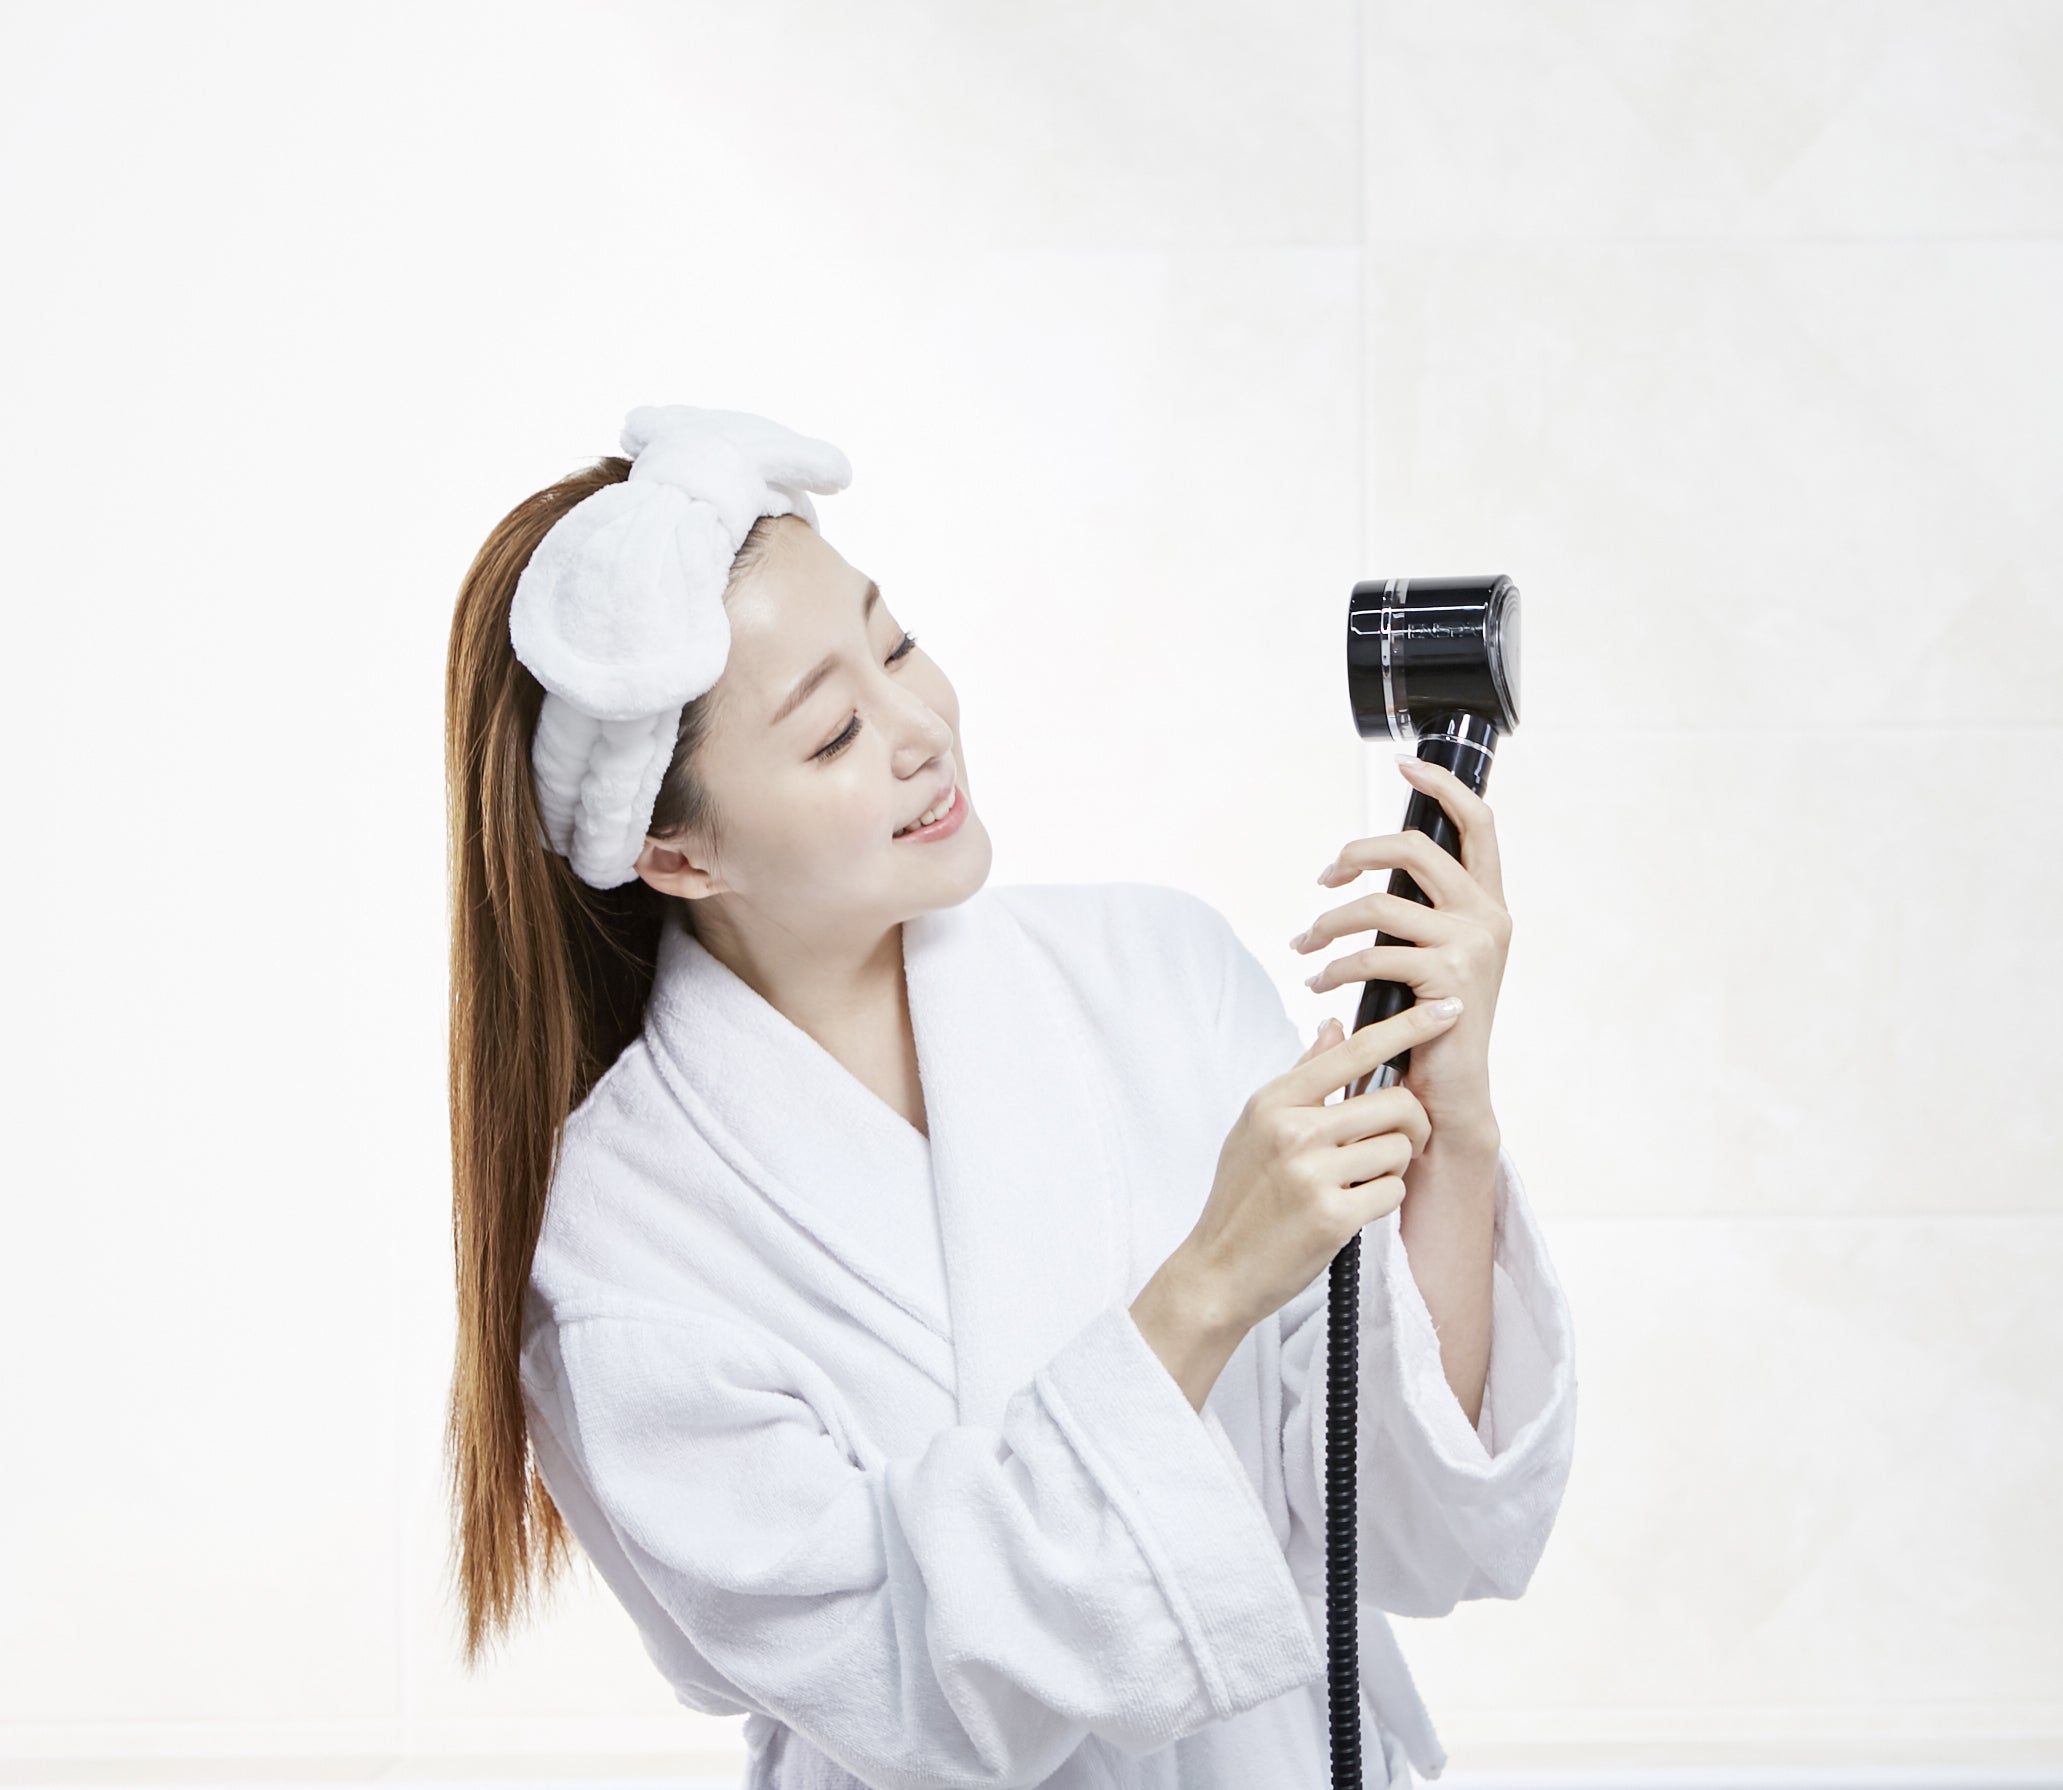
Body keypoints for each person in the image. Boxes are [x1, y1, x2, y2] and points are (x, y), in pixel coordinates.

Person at [442, 405, 1577, 1790]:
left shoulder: (1156, 972)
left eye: (897, 644)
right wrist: (1207, 1287)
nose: (921, 727)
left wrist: (1453, 1118)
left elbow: (1396, 1523)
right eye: (833, 732)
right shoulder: (623, 1254)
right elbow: (910, 1695)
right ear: (679, 855)